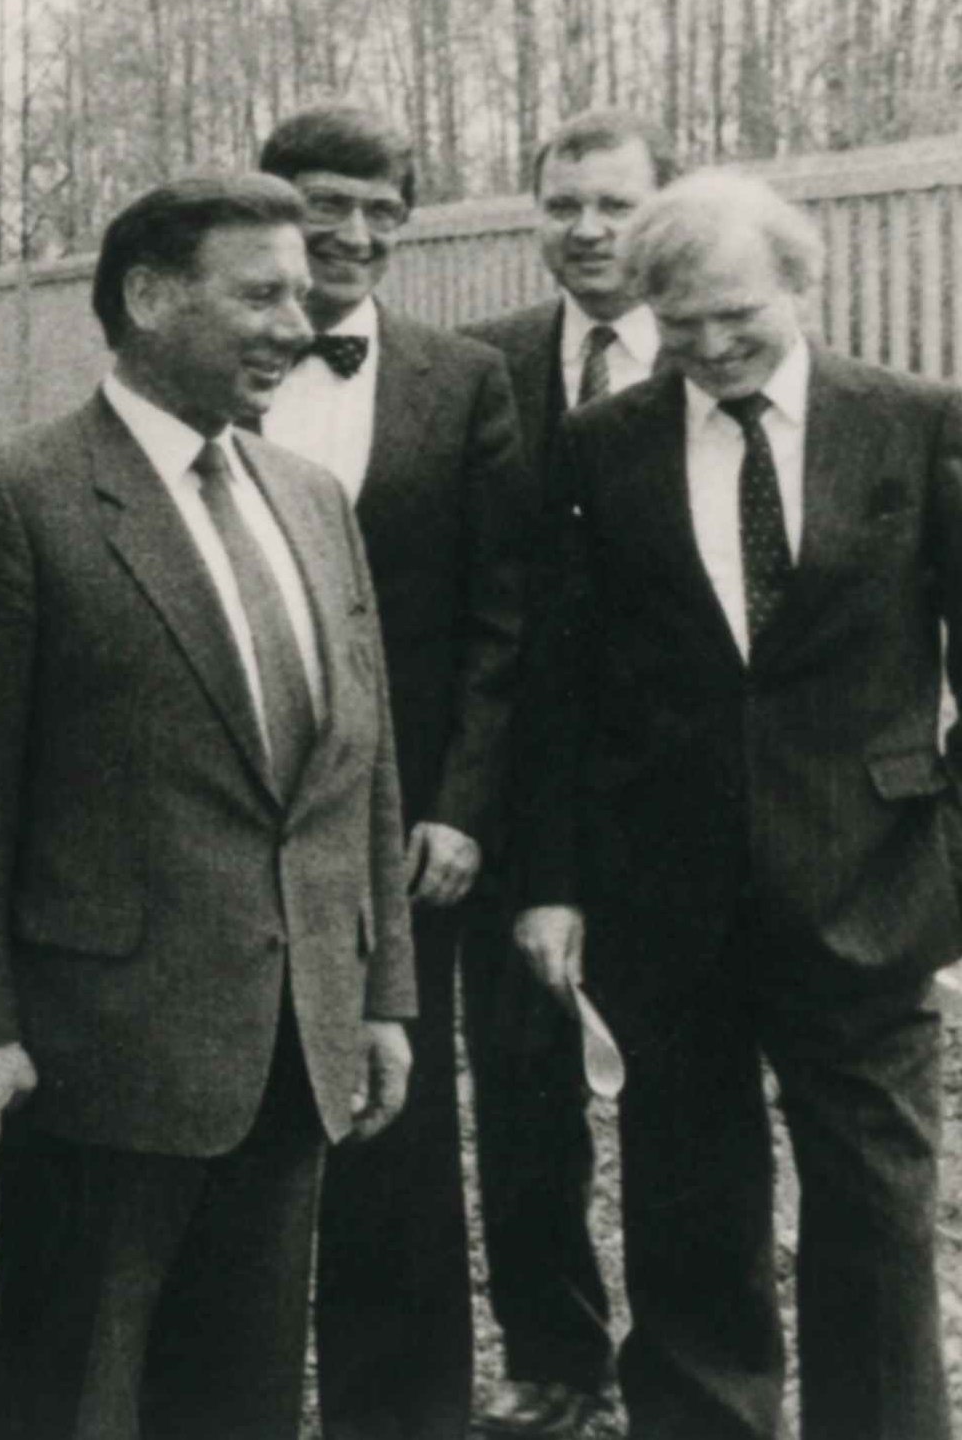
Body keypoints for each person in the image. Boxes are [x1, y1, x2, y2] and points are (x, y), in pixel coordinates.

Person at [0, 171, 415, 1440]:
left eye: (301, 295)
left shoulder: (309, 499)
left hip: (292, 1049)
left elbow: (364, 766)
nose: (298, 323)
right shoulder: (11, 497)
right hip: (98, 1062)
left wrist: (382, 993)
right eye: (261, 294)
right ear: (144, 296)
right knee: (77, 1403)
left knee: (237, 1405)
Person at [515, 168, 960, 1440]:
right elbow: (562, 686)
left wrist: (947, 870)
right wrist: (551, 880)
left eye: (736, 320)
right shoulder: (604, 445)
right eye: (679, 324)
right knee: (685, 1196)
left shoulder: (916, 423)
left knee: (874, 1212)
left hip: (871, 884)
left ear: (800, 289)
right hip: (663, 896)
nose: (708, 348)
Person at [251, 109, 523, 1440]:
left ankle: (399, 1412)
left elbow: (498, 617)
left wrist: (462, 801)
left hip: (396, 827)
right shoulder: (209, 356)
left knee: (392, 1122)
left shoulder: (460, 381)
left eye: (380, 209)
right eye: (321, 201)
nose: (350, 233)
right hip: (226, 806)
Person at [457, 109, 672, 1437]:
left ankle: (686, 1358)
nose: (585, 229)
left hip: (663, 793)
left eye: (610, 203)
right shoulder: (482, 369)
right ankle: (555, 1357)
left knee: (676, 1094)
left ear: (660, 207)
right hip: (510, 788)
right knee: (522, 1083)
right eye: (559, 205)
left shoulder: (706, 353)